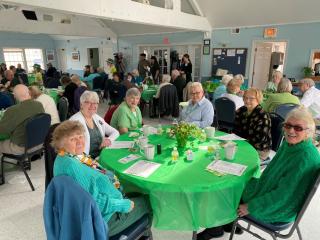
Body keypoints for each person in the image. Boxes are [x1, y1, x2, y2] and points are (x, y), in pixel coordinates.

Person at [197, 107, 320, 240]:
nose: (290, 131)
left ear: (309, 132)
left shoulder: (304, 158)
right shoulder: (291, 144)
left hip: (277, 208)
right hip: (268, 190)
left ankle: (215, 229)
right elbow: (273, 171)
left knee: (226, 191)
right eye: (288, 125)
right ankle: (227, 223)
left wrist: (250, 207)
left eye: (298, 128)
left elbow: (283, 196)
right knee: (235, 180)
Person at [51, 120, 151, 237]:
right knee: (148, 201)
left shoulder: (66, 157)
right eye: (73, 139)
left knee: (135, 191)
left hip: (90, 213)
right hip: (103, 219)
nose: (79, 142)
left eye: (80, 136)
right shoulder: (72, 166)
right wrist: (122, 205)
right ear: (61, 144)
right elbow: (93, 203)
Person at [70, 91, 119, 158]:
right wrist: (92, 164)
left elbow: (115, 132)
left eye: (95, 103)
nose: (93, 105)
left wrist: (108, 140)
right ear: (81, 104)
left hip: (101, 155)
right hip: (86, 161)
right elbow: (75, 151)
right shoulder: (75, 121)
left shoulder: (96, 117)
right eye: (88, 102)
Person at [0, 84, 44, 154]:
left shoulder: (12, 110)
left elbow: (2, 131)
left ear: (14, 96)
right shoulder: (39, 105)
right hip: (39, 143)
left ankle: (8, 164)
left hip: (21, 147)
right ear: (29, 93)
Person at [234, 88, 271, 160]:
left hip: (259, 150)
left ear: (258, 99)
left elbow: (259, 140)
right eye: (245, 98)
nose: (247, 101)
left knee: (237, 160)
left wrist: (241, 146)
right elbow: (236, 129)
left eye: (251, 99)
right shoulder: (240, 110)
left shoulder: (262, 116)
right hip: (242, 144)